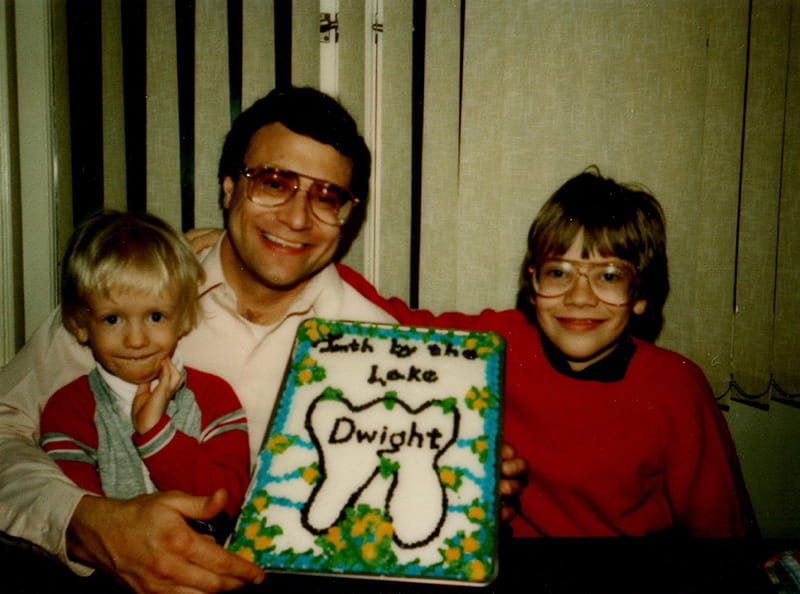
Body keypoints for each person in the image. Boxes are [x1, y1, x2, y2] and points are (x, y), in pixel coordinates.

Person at [0, 86, 526, 593]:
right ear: (229, 187)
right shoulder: (134, 296)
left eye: (327, 197)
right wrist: (85, 524)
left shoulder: (377, 346)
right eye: (273, 182)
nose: (297, 218)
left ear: (348, 217)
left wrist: (468, 495)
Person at [340, 167, 755, 537]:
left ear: (641, 293)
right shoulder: (492, 344)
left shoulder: (674, 386)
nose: (579, 297)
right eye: (559, 272)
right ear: (532, 285)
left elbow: (722, 535)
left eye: (609, 276)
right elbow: (383, 315)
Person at [39, 211, 250, 541]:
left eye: (155, 316)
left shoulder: (215, 398)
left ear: (182, 319)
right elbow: (90, 530)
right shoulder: (68, 410)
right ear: (80, 325)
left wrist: (155, 433)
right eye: (112, 320)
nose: (136, 340)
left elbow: (224, 504)